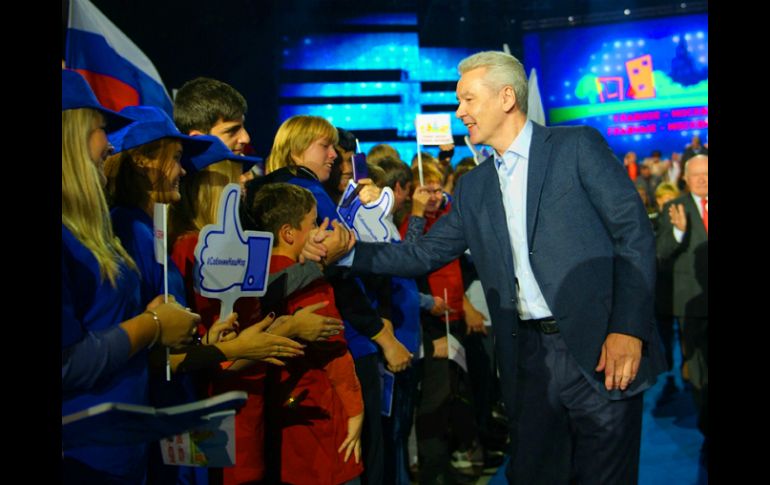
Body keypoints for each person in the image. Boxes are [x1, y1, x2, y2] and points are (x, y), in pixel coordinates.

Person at [344, 50, 666, 484]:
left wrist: (628, 329)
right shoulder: (474, 186)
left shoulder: (576, 147)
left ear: (507, 97)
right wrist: (347, 252)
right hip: (527, 360)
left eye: (468, 100)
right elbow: (421, 255)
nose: (460, 112)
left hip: (601, 350)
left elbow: (634, 236)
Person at [61, 69, 200, 483]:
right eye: (101, 129)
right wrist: (153, 324)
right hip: (84, 459)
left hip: (123, 452)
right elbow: (67, 364)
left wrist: (152, 317)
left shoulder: (91, 228)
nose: (108, 143)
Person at [252, 183, 364, 485]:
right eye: (313, 222)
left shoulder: (252, 276)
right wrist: (355, 411)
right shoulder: (309, 282)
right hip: (318, 418)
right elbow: (334, 351)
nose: (319, 230)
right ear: (289, 233)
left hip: (278, 417)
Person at [655, 154, 708, 461]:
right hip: (692, 306)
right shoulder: (675, 208)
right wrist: (678, 232)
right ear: (686, 179)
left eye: (706, 174)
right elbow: (660, 252)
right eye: (697, 175)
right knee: (700, 372)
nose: (702, 180)